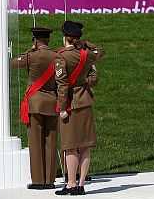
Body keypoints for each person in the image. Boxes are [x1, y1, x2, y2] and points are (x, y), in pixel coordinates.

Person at [55, 21, 104, 196]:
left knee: (70, 146)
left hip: (70, 105)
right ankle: (81, 184)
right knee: (85, 146)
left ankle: (71, 184)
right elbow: (100, 52)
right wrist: (87, 43)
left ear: (64, 38)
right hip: (85, 101)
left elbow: (62, 85)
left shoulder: (61, 56)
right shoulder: (86, 54)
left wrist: (61, 107)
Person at [11, 27, 58, 190]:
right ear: (48, 40)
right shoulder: (56, 56)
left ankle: (39, 180)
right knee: (51, 142)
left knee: (36, 142)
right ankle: (50, 180)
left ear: (35, 40)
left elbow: (13, 63)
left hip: (35, 103)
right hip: (53, 102)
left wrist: (28, 51)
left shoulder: (31, 56)